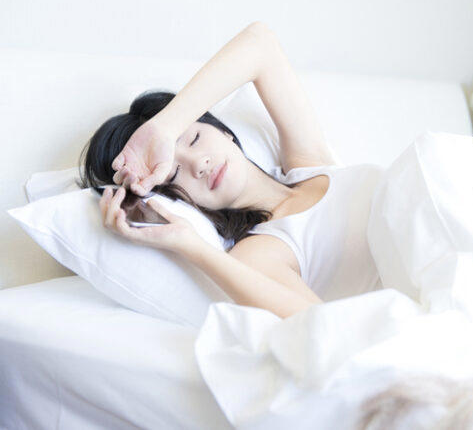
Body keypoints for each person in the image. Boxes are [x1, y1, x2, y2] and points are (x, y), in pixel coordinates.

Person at [79, 21, 383, 319]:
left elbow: (261, 44)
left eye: (194, 138)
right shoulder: (258, 252)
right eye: (174, 174)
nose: (199, 164)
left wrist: (165, 128)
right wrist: (187, 242)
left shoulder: (310, 163)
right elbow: (325, 328)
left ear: (223, 131)